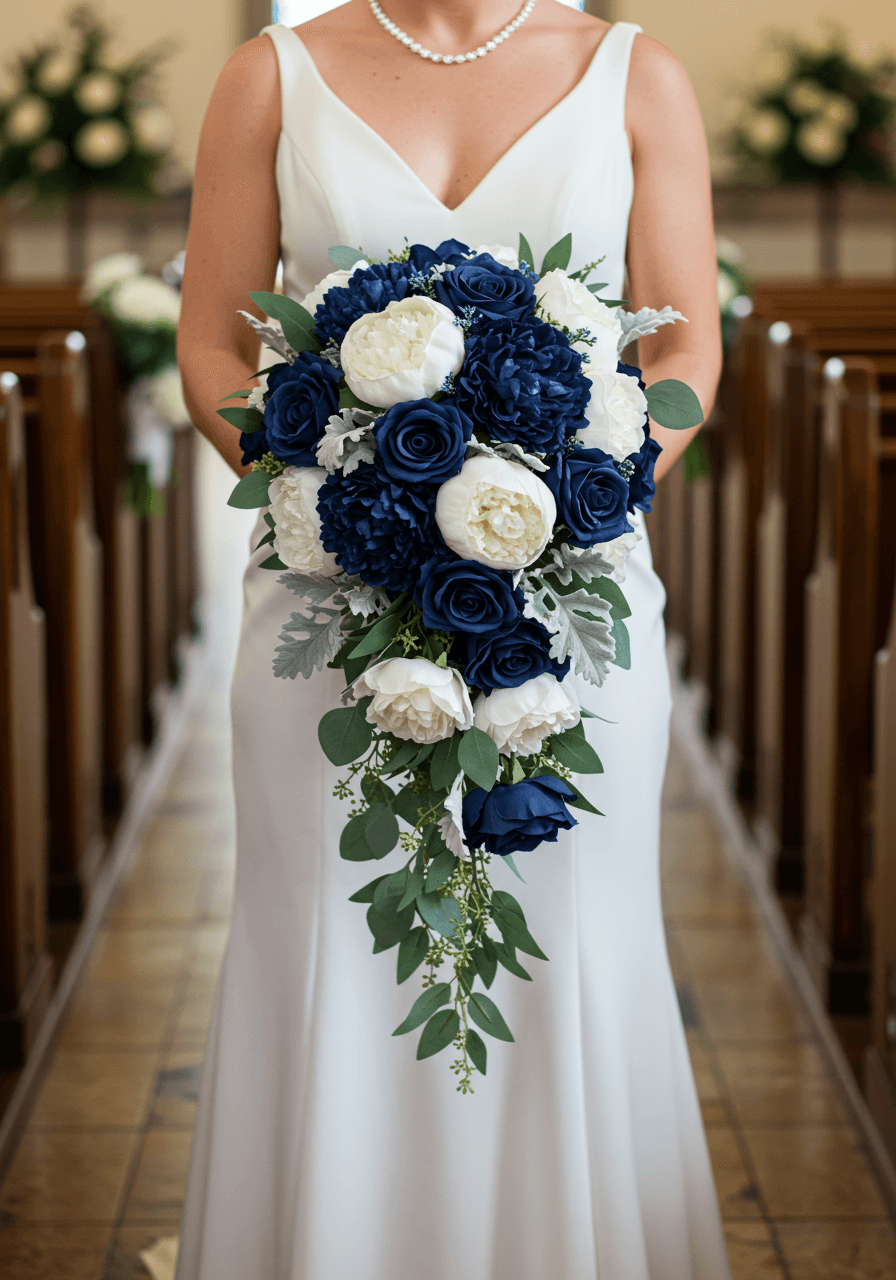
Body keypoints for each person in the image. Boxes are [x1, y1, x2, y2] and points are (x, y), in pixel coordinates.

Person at [175, 2, 728, 1277]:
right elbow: (211, 338)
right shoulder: (270, 77)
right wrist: (328, 493)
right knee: (329, 941)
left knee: (573, 936)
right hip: (327, 600)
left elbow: (687, 333)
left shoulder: (636, 76)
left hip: (568, 595)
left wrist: (564, 487)